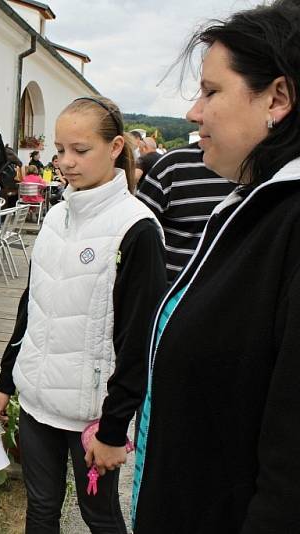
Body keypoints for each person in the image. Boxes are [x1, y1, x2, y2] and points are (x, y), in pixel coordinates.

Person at [132, 2, 300, 531]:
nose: (192, 113)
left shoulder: (290, 223)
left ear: (277, 98)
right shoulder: (256, 206)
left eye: (210, 91)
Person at [0, 96, 166, 533]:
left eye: (80, 150)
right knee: (41, 508)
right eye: (60, 150)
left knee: (99, 517)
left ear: (116, 147)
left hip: (91, 413)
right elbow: (33, 304)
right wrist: (6, 383)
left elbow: (138, 339)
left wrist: (113, 429)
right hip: (36, 402)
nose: (66, 162)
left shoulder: (137, 229)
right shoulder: (56, 217)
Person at [136, 142, 235, 282]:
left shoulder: (269, 172)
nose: (192, 118)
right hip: (173, 295)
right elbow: (136, 236)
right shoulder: (172, 166)